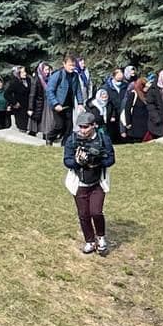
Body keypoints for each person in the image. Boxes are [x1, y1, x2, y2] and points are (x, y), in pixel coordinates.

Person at [63, 110, 116, 256]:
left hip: (98, 182)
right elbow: (66, 161)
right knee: (84, 214)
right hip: (79, 183)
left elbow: (111, 159)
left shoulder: (103, 139)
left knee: (96, 212)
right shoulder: (72, 140)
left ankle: (101, 237)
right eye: (80, 127)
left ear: (94, 125)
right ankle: (89, 241)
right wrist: (78, 162)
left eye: (86, 127)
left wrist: (97, 161)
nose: (82, 130)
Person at [45, 55, 86, 144]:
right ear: (64, 64)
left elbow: (78, 90)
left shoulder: (75, 76)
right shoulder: (57, 75)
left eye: (73, 65)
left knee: (69, 127)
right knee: (59, 125)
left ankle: (65, 144)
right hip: (58, 105)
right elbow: (49, 91)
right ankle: (50, 137)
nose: (72, 67)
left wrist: (80, 103)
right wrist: (55, 104)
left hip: (69, 105)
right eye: (70, 65)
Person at [121, 77, 154, 142]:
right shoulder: (134, 94)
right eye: (145, 86)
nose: (146, 88)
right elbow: (127, 109)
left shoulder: (148, 94)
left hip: (146, 123)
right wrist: (128, 123)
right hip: (135, 124)